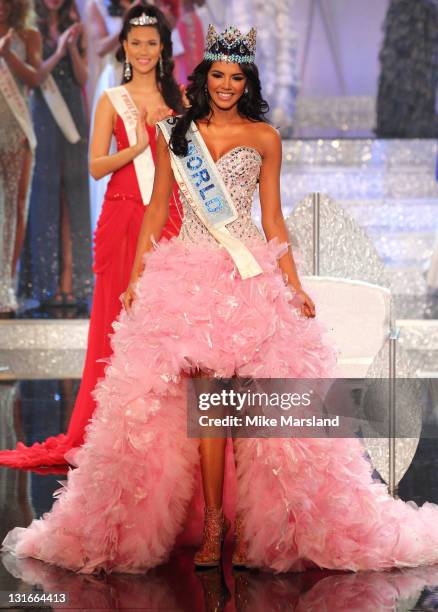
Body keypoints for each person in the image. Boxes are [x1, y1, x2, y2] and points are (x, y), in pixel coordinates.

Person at [4, 24, 438, 575]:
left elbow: (272, 218)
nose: (226, 85)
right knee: (204, 399)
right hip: (187, 278)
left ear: (246, 80)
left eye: (236, 77)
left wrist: (294, 283)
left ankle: (257, 520)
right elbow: (159, 209)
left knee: (257, 409)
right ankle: (212, 524)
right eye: (218, 75)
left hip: (248, 275)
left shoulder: (264, 138)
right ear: (204, 77)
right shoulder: (176, 135)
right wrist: (137, 275)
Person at [0, 4, 184, 469]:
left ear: (163, 49)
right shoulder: (111, 99)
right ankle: (110, 428)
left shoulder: (178, 102)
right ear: (124, 46)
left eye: (151, 43)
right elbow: (96, 165)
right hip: (123, 219)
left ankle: (160, 429)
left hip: (167, 221)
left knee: (165, 326)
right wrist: (135, 149)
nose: (143, 51)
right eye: (136, 43)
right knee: (115, 323)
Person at [19, 0, 92, 307]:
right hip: (44, 115)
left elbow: (82, 77)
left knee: (73, 196)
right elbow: (33, 78)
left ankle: (73, 282)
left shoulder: (76, 26)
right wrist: (59, 50)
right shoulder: (27, 29)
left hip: (72, 112)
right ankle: (45, 284)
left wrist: (72, 47)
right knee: (45, 195)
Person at [0, 0, 41, 314]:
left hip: (17, 129)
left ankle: (6, 286)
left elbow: (35, 78)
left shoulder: (28, 35)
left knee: (15, 205)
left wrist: (7, 54)